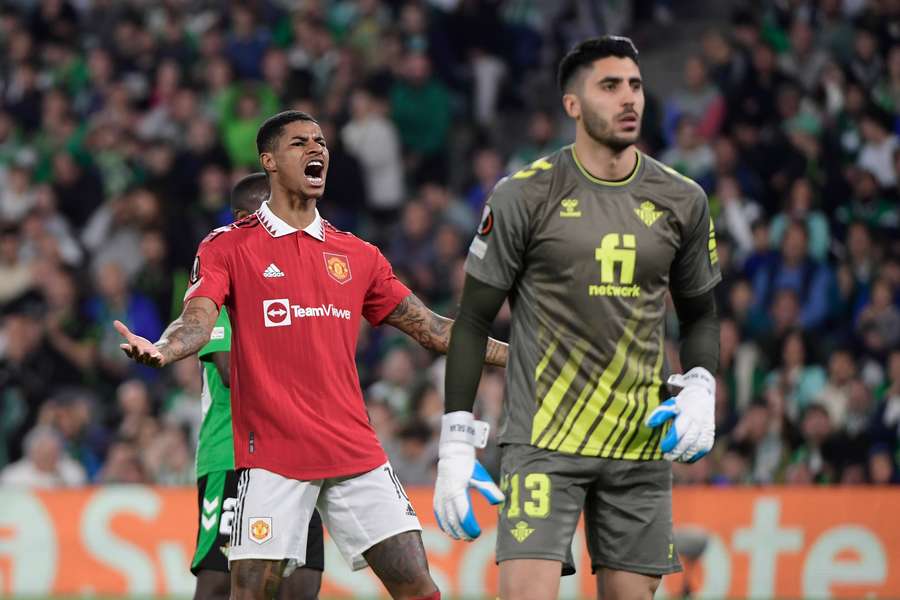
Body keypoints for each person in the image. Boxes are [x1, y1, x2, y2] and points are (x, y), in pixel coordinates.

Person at [114, 110, 507, 600]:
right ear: (270, 161)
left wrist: (520, 355)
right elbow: (197, 318)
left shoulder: (358, 254)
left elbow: (432, 328)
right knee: (247, 595)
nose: (316, 148)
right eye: (299, 142)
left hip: (353, 450)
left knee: (418, 587)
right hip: (272, 456)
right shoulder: (229, 246)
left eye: (320, 141)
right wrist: (165, 348)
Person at [434, 36, 721, 600]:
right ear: (572, 105)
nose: (628, 98)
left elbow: (701, 315)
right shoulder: (523, 195)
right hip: (544, 441)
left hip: (639, 441)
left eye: (635, 85)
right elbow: (472, 322)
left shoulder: (682, 199)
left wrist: (703, 384)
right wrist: (455, 442)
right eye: (610, 86)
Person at [191, 172, 323, 600]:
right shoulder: (223, 289)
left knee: (301, 584)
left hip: (298, 459)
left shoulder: (292, 288)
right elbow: (233, 374)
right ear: (245, 218)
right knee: (219, 582)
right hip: (232, 456)